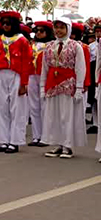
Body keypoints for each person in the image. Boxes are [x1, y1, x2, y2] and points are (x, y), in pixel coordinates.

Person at [41, 18, 87, 159]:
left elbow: (80, 68)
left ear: (68, 29)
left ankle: (67, 145)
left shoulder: (75, 46)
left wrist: (79, 88)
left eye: (62, 27)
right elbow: (44, 68)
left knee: (66, 115)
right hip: (52, 84)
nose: (59, 30)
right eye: (56, 27)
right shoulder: (48, 46)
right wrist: (42, 87)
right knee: (53, 115)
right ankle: (57, 143)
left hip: (68, 84)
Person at [0, 11, 32, 154]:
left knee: (17, 108)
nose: (5, 26)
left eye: (8, 23)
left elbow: (26, 63)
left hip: (16, 74)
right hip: (2, 74)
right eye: (3, 23)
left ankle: (15, 141)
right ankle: (3, 140)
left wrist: (24, 83)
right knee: (2, 108)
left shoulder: (22, 40)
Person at [29, 21, 54, 147]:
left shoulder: (52, 45)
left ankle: (46, 136)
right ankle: (36, 136)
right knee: (34, 106)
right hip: (32, 76)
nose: (38, 33)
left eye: (41, 31)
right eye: (36, 31)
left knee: (45, 107)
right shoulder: (32, 45)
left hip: (45, 77)